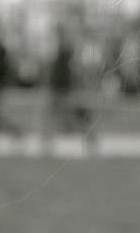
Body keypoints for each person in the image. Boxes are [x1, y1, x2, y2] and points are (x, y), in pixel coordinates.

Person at [40, 30, 97, 158]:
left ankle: (90, 139)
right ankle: (47, 144)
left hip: (63, 92)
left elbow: (69, 75)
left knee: (67, 119)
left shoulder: (65, 57)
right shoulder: (63, 58)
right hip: (60, 91)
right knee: (57, 118)